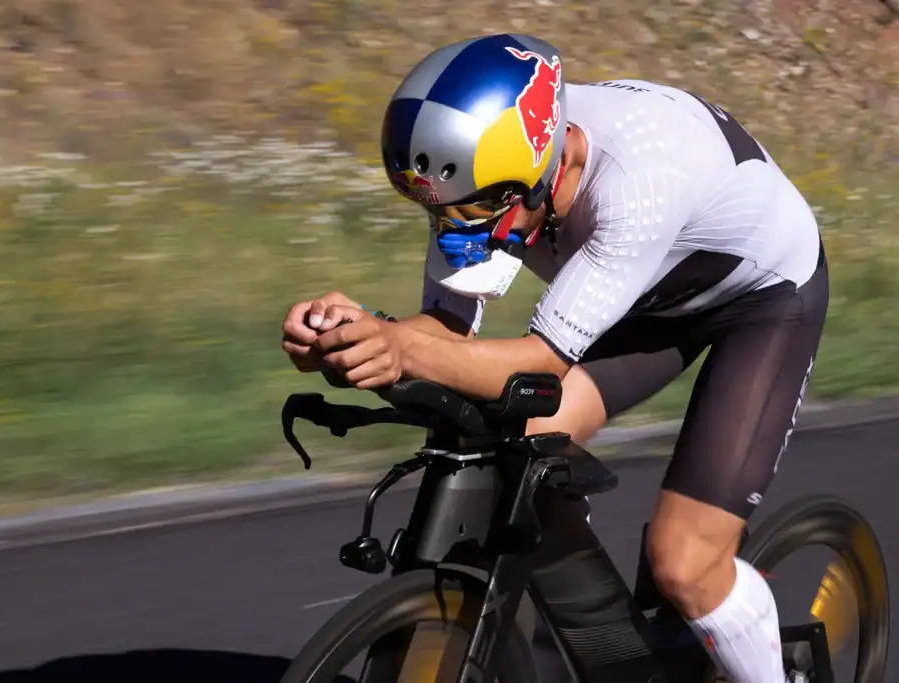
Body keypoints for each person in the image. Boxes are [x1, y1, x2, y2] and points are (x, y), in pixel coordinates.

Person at [282, 33, 827, 683]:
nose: (462, 231)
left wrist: (399, 347)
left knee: (685, 561)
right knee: (519, 445)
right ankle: (611, 652)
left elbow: (538, 365)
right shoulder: (485, 177)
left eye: (480, 210)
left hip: (763, 302)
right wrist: (362, 334)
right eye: (441, 211)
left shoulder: (637, 180)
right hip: (642, 293)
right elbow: (448, 328)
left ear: (543, 164)